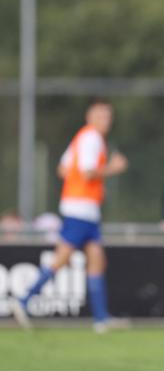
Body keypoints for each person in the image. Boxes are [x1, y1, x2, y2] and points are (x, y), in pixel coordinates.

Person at [10, 98, 128, 333]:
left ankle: (101, 319)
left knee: (96, 259)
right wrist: (113, 168)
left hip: (84, 207)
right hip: (80, 207)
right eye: (102, 116)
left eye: (108, 116)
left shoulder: (82, 137)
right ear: (90, 117)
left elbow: (63, 169)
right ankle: (23, 300)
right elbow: (86, 173)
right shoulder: (91, 138)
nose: (106, 121)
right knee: (62, 259)